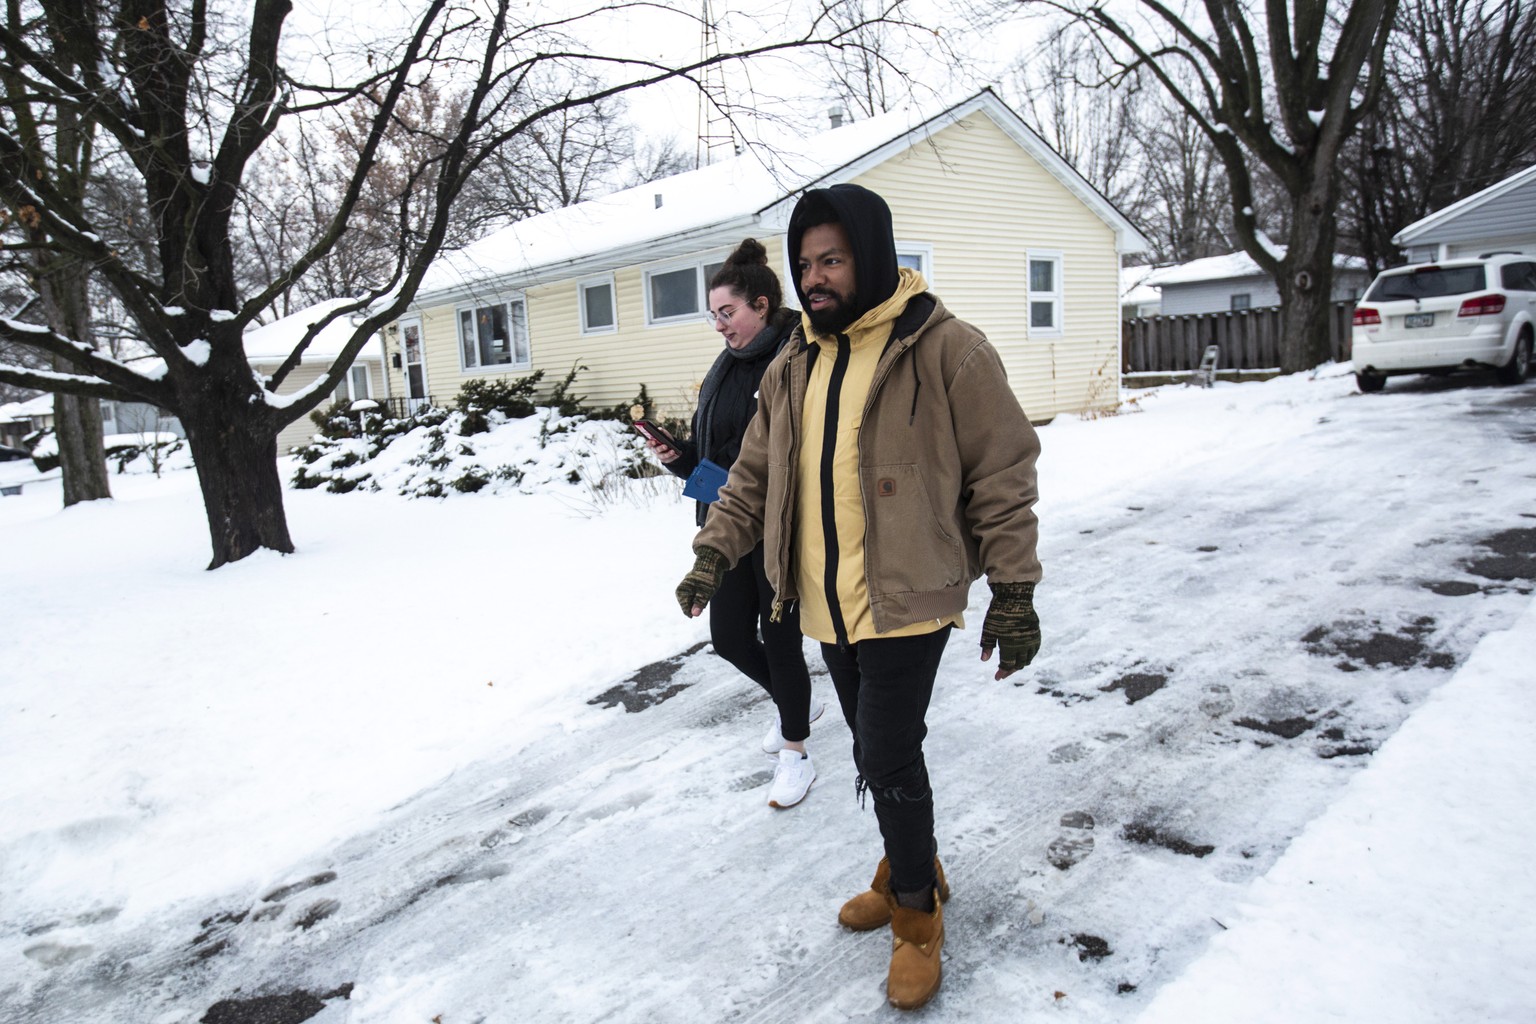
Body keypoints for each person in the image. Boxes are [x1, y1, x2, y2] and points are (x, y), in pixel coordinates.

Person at [672, 185, 1041, 1010]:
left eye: (831, 260)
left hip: (910, 599)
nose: (815, 279)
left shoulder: (947, 350)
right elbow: (753, 478)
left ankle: (918, 917)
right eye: (804, 264)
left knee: (885, 754)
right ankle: (911, 866)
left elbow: (1004, 476)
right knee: (885, 757)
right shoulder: (794, 361)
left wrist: (1013, 590)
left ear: (870, 255)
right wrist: (712, 556)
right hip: (826, 603)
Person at [646, 238, 822, 810]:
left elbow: (781, 462)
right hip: (728, 527)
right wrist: (681, 459)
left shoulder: (795, 361)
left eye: (728, 312)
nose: (719, 325)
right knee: (728, 639)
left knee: (780, 640)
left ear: (763, 305)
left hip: (776, 532)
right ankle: (794, 702)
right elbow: (719, 458)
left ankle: (796, 752)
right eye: (714, 314)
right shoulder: (727, 365)